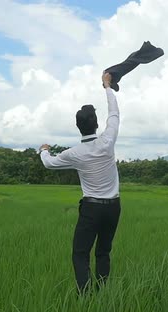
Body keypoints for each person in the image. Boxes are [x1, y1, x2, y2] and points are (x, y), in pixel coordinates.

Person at [39, 72, 121, 294]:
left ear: (78, 126)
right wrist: (107, 87)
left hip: (91, 209)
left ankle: (85, 297)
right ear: (96, 125)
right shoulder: (107, 141)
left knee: (80, 253)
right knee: (103, 252)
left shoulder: (74, 154)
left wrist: (44, 150)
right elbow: (114, 114)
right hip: (113, 207)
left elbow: (49, 164)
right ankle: (102, 291)